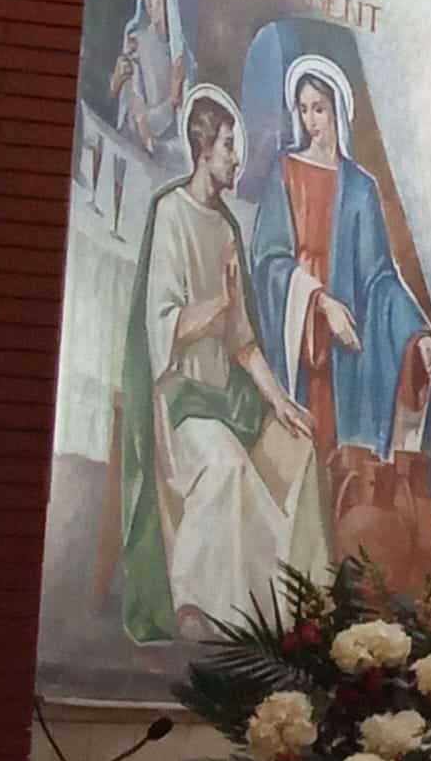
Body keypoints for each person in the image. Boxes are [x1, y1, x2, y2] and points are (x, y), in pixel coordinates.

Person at [120, 91, 326, 643]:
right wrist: (215, 308)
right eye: (231, 148)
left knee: (299, 448)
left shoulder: (228, 227)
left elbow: (243, 342)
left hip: (228, 399)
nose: (239, 160)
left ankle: (285, 613)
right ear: (203, 148)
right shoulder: (170, 214)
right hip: (180, 403)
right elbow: (160, 324)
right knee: (228, 465)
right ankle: (197, 607)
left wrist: (281, 401)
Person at [249, 56, 431, 462]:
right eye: (304, 109)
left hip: (347, 355)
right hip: (298, 338)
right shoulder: (285, 170)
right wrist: (319, 301)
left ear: (337, 111)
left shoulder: (360, 187)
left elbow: (380, 278)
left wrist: (421, 338)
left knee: (344, 464)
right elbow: (268, 259)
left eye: (319, 108)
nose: (311, 120)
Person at [116, 0, 194, 164]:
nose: (149, 1)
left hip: (173, 161)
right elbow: (140, 126)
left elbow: (187, 134)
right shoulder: (136, 44)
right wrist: (172, 100)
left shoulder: (184, 55)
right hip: (136, 159)